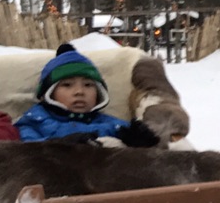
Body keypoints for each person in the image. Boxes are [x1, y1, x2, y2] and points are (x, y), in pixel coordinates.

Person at [15, 44, 158, 146]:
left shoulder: (112, 125)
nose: (80, 92)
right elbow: (25, 149)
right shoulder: (32, 122)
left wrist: (140, 140)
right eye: (67, 85)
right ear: (48, 93)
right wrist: (57, 145)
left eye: (88, 85)